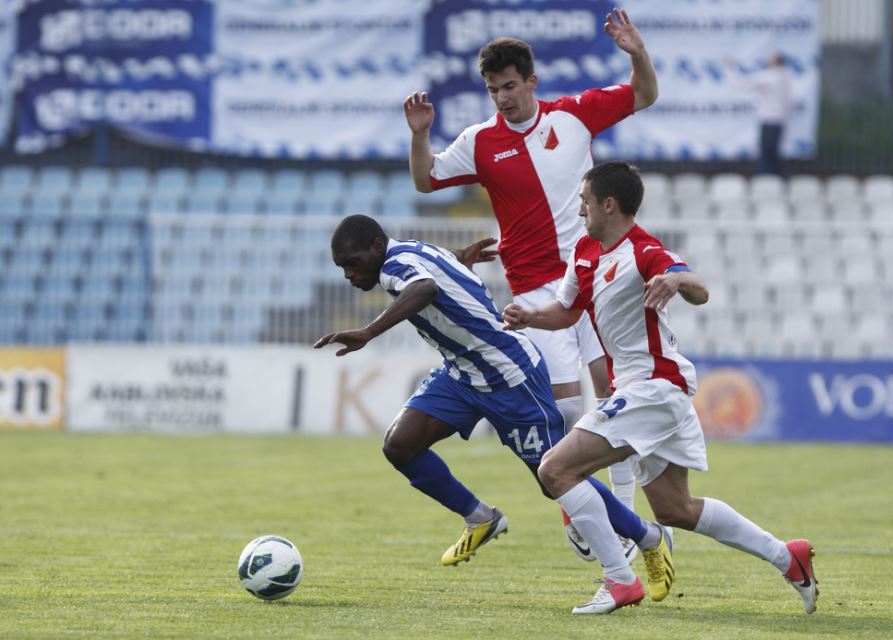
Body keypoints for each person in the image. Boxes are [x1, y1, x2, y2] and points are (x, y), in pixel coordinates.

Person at [503, 162, 819, 615]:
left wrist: (675, 280)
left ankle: (619, 580)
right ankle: (788, 557)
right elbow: (567, 310)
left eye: (584, 201)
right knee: (675, 509)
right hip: (648, 392)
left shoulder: (644, 250)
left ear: (608, 205)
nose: (579, 210)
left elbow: (699, 288)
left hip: (654, 387)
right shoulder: (585, 252)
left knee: (554, 469)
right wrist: (530, 317)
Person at [404, 6, 657, 562]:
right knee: (565, 415)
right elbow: (425, 181)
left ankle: (624, 523)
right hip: (535, 294)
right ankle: (580, 511)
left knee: (617, 403)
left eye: (511, 86)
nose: (503, 98)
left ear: (532, 82)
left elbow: (644, 95)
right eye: (494, 89)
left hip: (596, 281)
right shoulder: (480, 141)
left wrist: (637, 53)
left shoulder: (573, 116)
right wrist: (420, 136)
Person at [313, 214, 671, 595]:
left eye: (352, 263)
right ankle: (480, 518)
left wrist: (369, 331)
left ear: (375, 247)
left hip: (509, 377)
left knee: (557, 479)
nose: (349, 276)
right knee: (400, 445)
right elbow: (431, 274)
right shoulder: (412, 251)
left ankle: (648, 536)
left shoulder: (396, 268)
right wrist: (459, 260)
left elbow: (423, 287)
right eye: (342, 268)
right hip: (463, 375)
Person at [732, 53, 792, 176]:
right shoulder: (786, 77)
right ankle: (776, 178)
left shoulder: (769, 76)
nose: (768, 60)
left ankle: (765, 178)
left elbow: (743, 83)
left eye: (772, 58)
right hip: (779, 120)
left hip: (769, 119)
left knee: (766, 153)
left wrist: (730, 68)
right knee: (773, 152)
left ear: (776, 61)